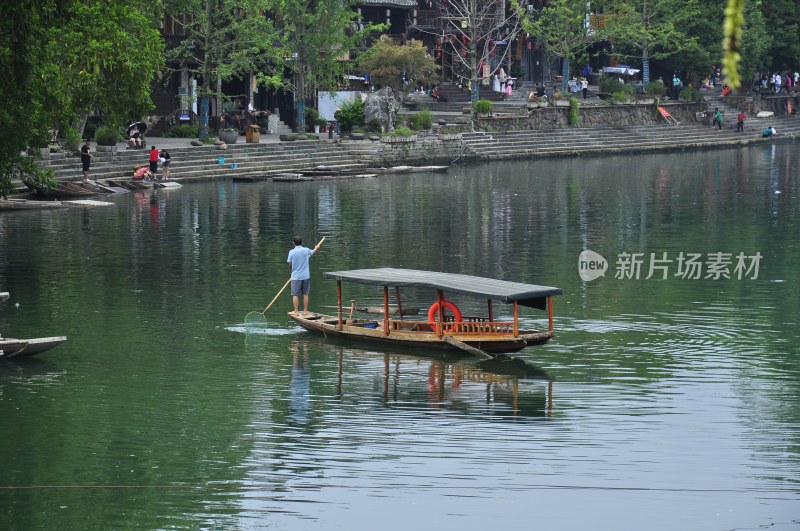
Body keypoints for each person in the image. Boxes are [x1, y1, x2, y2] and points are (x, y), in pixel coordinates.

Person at [287, 236, 322, 315]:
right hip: (306, 276)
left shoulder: (291, 252)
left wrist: (293, 268)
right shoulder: (306, 250)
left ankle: (296, 311)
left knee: (295, 294)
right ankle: (305, 311)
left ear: (293, 243)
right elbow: (314, 251)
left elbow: (289, 265)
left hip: (296, 277)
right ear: (301, 242)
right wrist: (317, 247)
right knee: (305, 294)